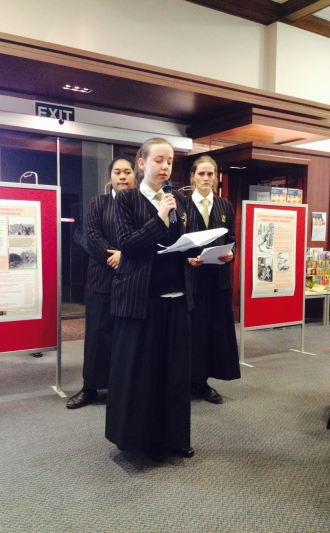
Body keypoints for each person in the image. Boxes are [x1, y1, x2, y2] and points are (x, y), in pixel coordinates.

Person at [105, 138, 195, 462]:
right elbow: (128, 245)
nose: (165, 167)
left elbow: (185, 241)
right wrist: (158, 218)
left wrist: (200, 252)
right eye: (158, 160)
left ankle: (175, 438)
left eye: (169, 161)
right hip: (141, 300)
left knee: (175, 373)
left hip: (176, 297)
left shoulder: (178, 201)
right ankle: (137, 441)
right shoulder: (126, 199)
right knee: (140, 373)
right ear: (142, 164)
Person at [66, 157, 136, 409]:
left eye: (127, 171)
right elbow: (92, 236)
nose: (122, 176)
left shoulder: (142, 205)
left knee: (126, 338)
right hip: (100, 280)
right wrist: (115, 257)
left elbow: (145, 240)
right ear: (111, 178)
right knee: (97, 336)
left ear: (134, 175)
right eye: (117, 172)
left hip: (132, 282)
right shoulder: (99, 203)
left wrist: (125, 257)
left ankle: (122, 388)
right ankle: (90, 388)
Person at [187, 155, 240, 404]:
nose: (206, 179)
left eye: (211, 174)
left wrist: (231, 254)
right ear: (193, 177)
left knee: (214, 331)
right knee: (192, 332)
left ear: (216, 177)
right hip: (192, 279)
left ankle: (204, 382)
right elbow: (176, 241)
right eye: (201, 174)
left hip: (218, 278)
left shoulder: (224, 205)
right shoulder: (182, 204)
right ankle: (189, 381)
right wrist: (187, 258)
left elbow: (233, 238)